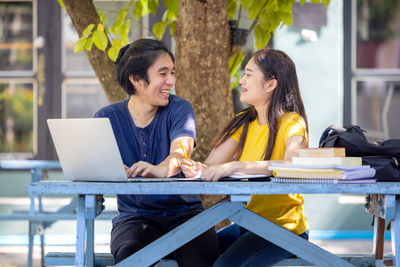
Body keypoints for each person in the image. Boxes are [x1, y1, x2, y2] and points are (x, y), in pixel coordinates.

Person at [94, 38, 219, 266]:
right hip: (133, 217)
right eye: (163, 74)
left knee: (200, 256)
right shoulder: (106, 118)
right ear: (136, 79)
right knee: (130, 254)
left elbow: (181, 155)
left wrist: (160, 169)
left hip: (186, 214)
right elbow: (93, 171)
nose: (170, 81)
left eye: (172, 73)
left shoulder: (180, 109)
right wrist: (107, 173)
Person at [181, 48, 309, 266]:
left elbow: (292, 165)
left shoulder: (292, 122)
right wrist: (194, 168)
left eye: (249, 75)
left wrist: (234, 167)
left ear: (271, 84)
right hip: (248, 224)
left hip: (285, 229)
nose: (242, 81)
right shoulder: (244, 122)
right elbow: (211, 165)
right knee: (193, 253)